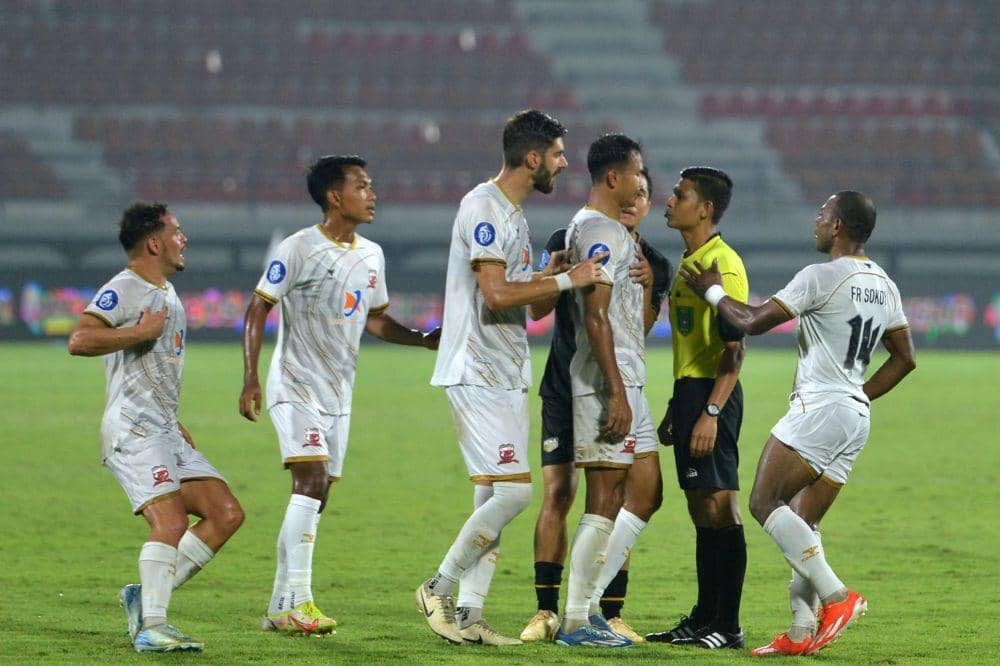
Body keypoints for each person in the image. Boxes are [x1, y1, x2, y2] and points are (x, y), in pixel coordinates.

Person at [679, 190, 916, 656]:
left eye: (823, 214)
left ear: (839, 227)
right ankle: (801, 631)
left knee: (764, 502)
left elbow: (748, 321)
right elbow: (905, 358)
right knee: (804, 520)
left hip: (821, 407)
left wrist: (711, 289)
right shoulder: (884, 283)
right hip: (854, 415)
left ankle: (837, 597)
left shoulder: (821, 276)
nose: (816, 221)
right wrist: (858, 396)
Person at [416, 109, 607, 646]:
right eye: (558, 153)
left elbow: (523, 305)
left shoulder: (515, 216)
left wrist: (547, 276)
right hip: (475, 368)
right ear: (532, 157)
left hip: (505, 369)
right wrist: (569, 280)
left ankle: (470, 614)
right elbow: (495, 294)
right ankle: (439, 585)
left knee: (492, 497)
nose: (564, 162)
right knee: (518, 493)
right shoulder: (483, 207)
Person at [239, 155, 440, 636]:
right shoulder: (298, 247)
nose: (373, 194)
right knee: (309, 485)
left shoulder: (371, 254)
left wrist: (419, 338)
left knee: (317, 494)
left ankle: (278, 604)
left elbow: (374, 318)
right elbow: (256, 308)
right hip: (295, 385)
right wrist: (251, 377)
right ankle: (298, 601)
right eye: (363, 186)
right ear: (335, 196)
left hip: (339, 393)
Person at [68, 202, 245, 653]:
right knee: (168, 521)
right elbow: (81, 339)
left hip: (164, 428)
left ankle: (145, 597)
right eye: (177, 231)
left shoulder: (164, 290)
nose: (184, 239)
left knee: (225, 513)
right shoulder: (126, 287)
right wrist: (138, 333)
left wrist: (174, 418)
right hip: (134, 431)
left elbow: (152, 369)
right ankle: (152, 625)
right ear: (153, 242)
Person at [520, 167, 672, 644]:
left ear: (648, 204)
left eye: (645, 194)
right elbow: (538, 310)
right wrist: (557, 274)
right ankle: (549, 611)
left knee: (623, 494)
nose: (636, 200)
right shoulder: (570, 236)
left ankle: (606, 609)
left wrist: (648, 286)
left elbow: (638, 330)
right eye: (633, 188)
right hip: (569, 386)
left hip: (617, 382)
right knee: (561, 494)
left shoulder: (656, 262)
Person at [553, 133, 653, 648]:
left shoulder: (608, 231)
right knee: (605, 494)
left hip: (625, 377)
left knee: (625, 493)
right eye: (638, 173)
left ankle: (585, 611)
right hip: (604, 381)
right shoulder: (601, 232)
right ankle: (575, 620)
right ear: (614, 177)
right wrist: (616, 391)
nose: (642, 183)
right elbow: (596, 316)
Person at [645, 167, 748, 650]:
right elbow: (692, 345)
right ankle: (705, 618)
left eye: (679, 195)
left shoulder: (721, 264)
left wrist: (709, 412)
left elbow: (734, 351)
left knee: (719, 505)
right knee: (700, 508)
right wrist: (677, 404)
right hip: (690, 392)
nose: (668, 201)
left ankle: (727, 626)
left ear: (704, 208)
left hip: (713, 395)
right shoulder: (690, 261)